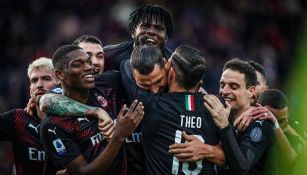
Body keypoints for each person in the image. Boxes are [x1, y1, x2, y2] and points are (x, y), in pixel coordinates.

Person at [40, 45, 144, 174]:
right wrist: (119, 136)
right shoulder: (53, 125)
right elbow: (83, 172)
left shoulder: (107, 84)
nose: (89, 67)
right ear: (60, 74)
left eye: (88, 62)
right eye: (78, 64)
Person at [121, 44, 224, 174]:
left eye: (158, 81)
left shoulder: (151, 103)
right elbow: (236, 161)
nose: (154, 91)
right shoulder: (216, 106)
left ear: (168, 67)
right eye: (144, 85)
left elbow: (125, 65)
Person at [204, 58, 275, 175]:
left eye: (233, 87)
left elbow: (241, 169)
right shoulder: (223, 115)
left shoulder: (261, 122)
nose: (224, 91)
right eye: (222, 85)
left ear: (251, 91)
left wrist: (224, 127)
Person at [0, 57, 58, 175]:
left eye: (46, 79)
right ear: (30, 89)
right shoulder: (17, 118)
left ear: (60, 85)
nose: (39, 85)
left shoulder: (72, 119)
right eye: (34, 80)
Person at [103, 4, 173, 71]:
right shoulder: (108, 56)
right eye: (145, 26)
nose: (151, 32)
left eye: (158, 28)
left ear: (166, 37)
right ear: (133, 32)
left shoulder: (174, 63)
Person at [256, 89, 306, 175]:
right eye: (270, 119)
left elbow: (289, 158)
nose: (278, 124)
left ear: (288, 113)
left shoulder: (293, 126)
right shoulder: (254, 127)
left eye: (281, 121)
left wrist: (275, 124)